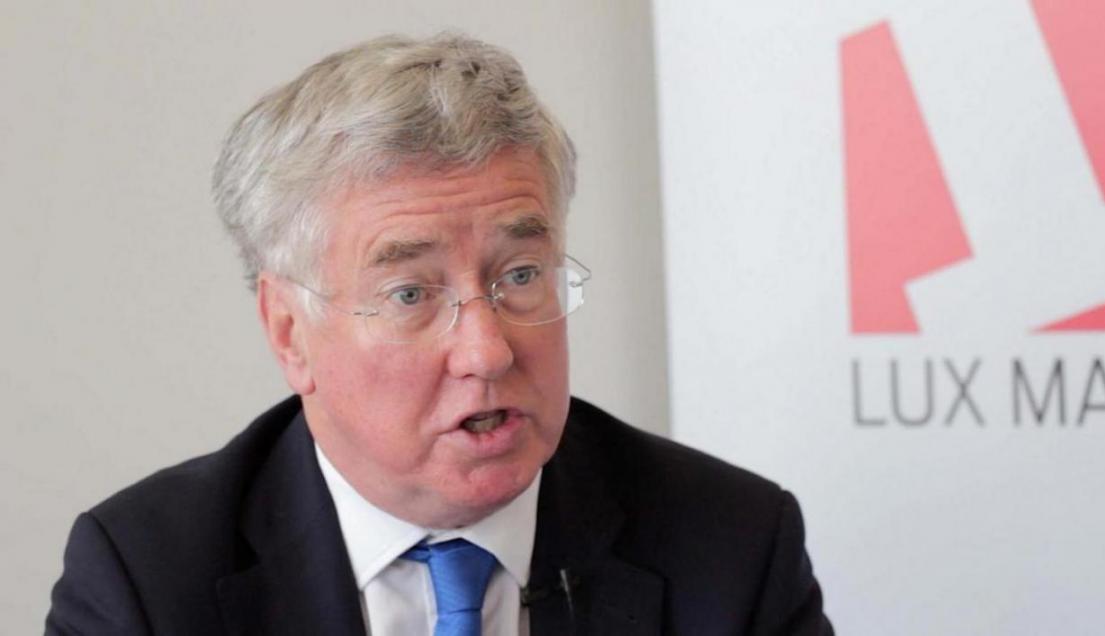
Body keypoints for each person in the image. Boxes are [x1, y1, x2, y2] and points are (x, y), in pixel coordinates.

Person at [46, 33, 833, 635]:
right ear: (289, 332)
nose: (487, 350)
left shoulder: (730, 547)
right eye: (410, 294)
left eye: (520, 274)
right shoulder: (146, 580)